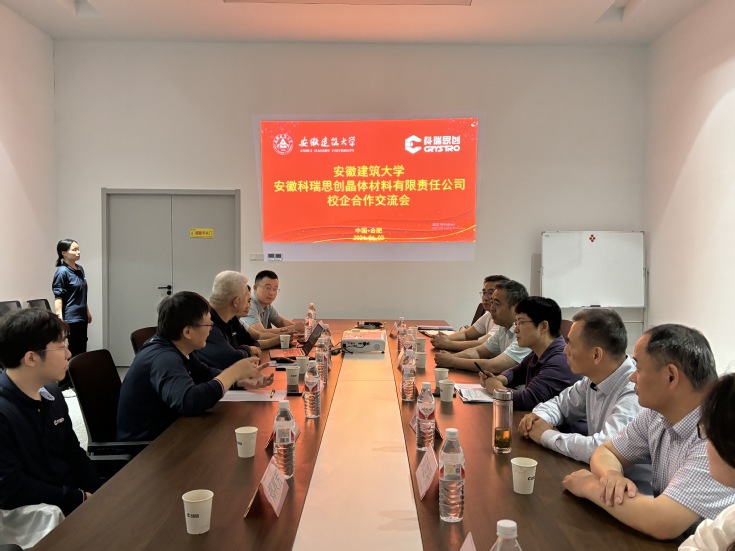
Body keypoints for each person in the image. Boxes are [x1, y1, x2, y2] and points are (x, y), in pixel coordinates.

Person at [563, 324, 735, 541]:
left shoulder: (716, 435)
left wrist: (590, 486)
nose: (632, 377)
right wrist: (611, 476)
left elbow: (662, 521)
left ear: (671, 376)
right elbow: (606, 451)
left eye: (638, 368)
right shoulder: (656, 415)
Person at [117, 291, 274, 442]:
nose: (211, 328)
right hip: (148, 449)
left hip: (172, 432)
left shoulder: (178, 347)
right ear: (187, 332)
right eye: (208, 323)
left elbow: (204, 373)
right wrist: (232, 373)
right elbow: (188, 401)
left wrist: (239, 380)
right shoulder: (164, 358)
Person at [0, 308, 102, 516]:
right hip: (38, 516)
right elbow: (11, 487)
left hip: (71, 500)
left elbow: (73, 452)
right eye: (61, 347)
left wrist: (101, 491)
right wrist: (78, 498)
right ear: (31, 358)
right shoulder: (4, 412)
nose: (68, 354)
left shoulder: (52, 393)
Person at [519, 308, 643, 466]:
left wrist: (546, 435)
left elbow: (604, 449)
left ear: (596, 355)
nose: (565, 350)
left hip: (629, 480)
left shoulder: (634, 392)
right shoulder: (593, 379)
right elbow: (560, 404)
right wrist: (538, 417)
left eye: (571, 344)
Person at [478, 296, 581, 411]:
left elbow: (528, 400)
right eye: (515, 323)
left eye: (521, 322)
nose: (516, 329)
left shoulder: (560, 359)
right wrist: (499, 379)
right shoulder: (538, 353)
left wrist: (496, 389)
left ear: (543, 326)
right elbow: (516, 372)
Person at [679, 373, 735, 550]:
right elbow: (697, 545)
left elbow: (661, 520)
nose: (633, 377)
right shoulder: (730, 518)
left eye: (709, 431)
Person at [434, 279, 531, 373]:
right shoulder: (503, 328)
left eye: (497, 304)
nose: (491, 308)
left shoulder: (526, 333)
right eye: (492, 302)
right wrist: (451, 357)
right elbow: (477, 351)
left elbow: (494, 366)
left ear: (516, 307)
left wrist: (452, 361)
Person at [197, 271, 280, 369]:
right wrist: (248, 350)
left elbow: (252, 343)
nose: (250, 303)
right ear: (236, 302)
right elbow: (231, 358)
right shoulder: (207, 324)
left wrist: (246, 352)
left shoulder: (231, 318)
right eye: (248, 299)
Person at [431, 274, 508, 352]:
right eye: (484, 292)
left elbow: (483, 344)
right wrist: (446, 338)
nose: (485, 297)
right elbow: (466, 334)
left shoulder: (503, 320)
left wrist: (446, 343)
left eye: (491, 293)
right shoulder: (488, 315)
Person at [52, 239, 91, 358]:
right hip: (71, 318)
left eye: (78, 249)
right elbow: (58, 298)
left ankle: (81, 370)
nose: (78, 252)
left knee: (82, 348)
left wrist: (87, 311)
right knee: (73, 350)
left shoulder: (80, 269)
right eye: (74, 250)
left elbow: (81, 292)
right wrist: (60, 320)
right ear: (63, 253)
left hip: (82, 316)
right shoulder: (62, 272)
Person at [242, 270, 303, 335]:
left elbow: (281, 322)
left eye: (275, 289)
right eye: (268, 288)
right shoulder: (249, 305)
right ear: (255, 288)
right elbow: (259, 333)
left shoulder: (267, 306)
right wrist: (294, 328)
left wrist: (301, 328)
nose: (271, 293)